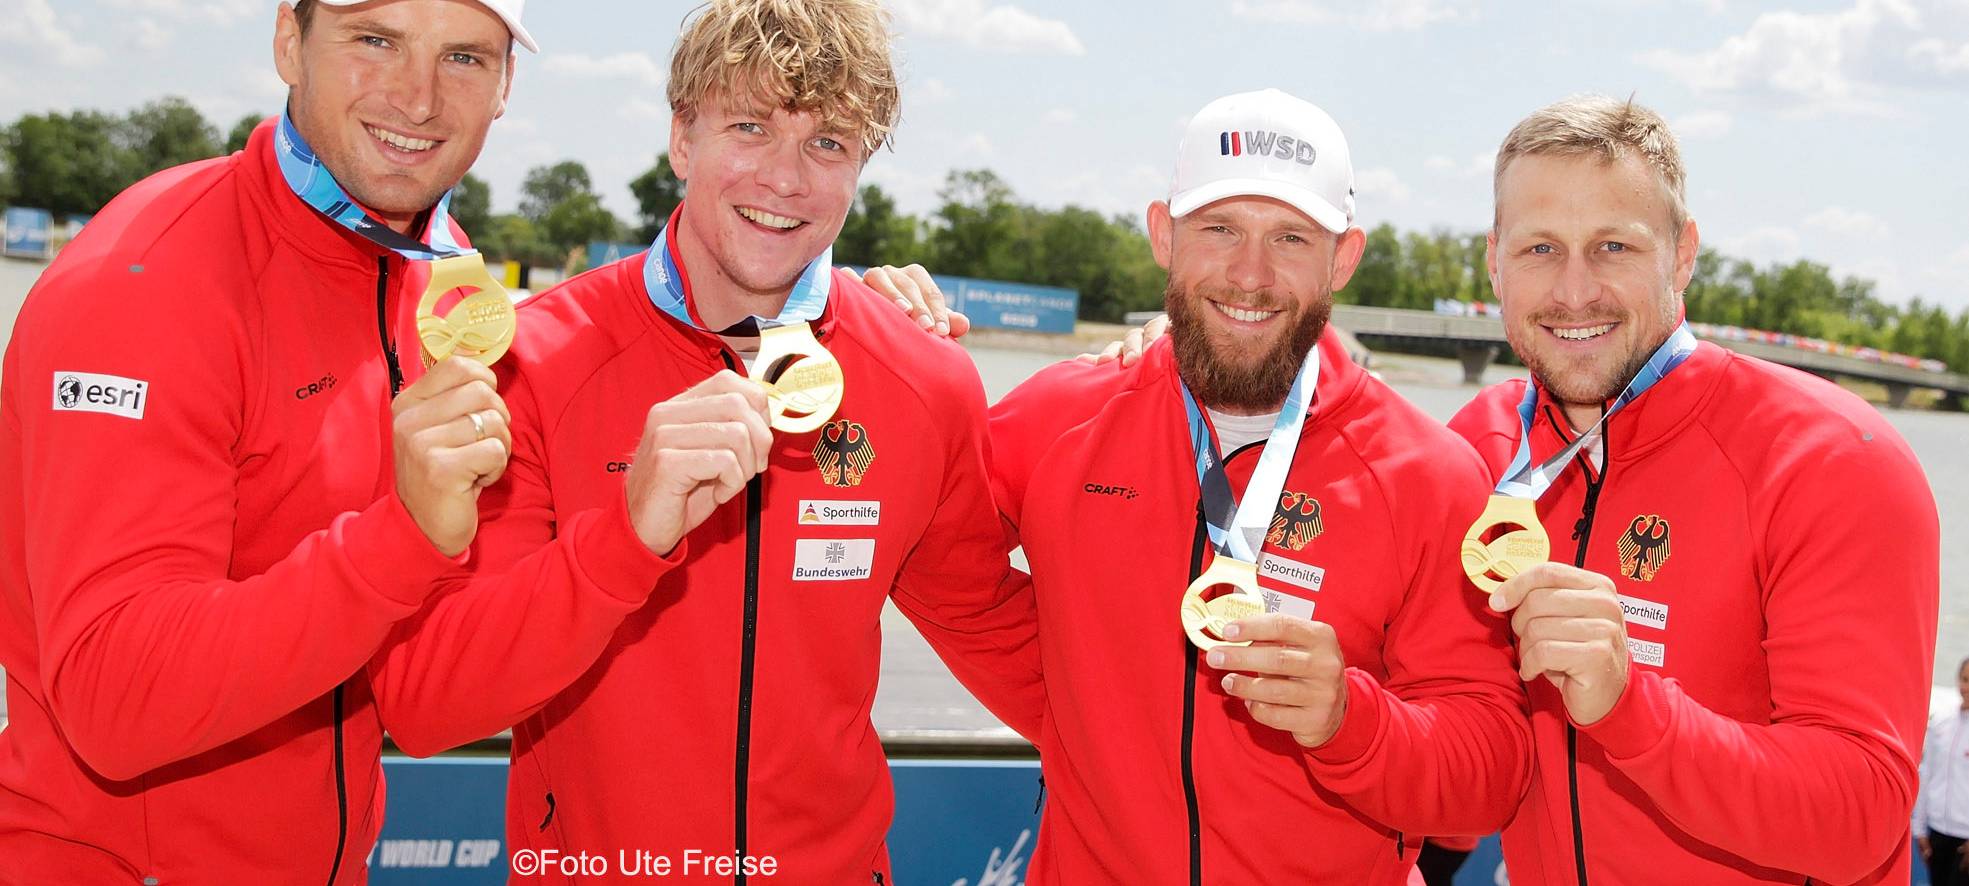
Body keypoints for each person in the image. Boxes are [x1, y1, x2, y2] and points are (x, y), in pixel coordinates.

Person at [365, 1, 1039, 881]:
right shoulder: (534, 362)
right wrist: (625, 539)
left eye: (828, 143)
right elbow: (426, 706)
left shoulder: (925, 380)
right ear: (682, 139)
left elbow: (1000, 632)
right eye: (750, 127)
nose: (786, 179)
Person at [0, 1, 534, 882]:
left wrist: (626, 535)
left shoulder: (438, 274)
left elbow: (424, 694)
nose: (419, 97)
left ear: (505, 84)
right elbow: (112, 699)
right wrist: (403, 540)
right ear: (290, 42)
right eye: (376, 40)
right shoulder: (146, 280)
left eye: (465, 58)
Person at [977, 88, 1530, 884]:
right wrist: (1066, 705)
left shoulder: (1428, 474)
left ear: (1342, 257)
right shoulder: (1060, 417)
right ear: (1163, 235)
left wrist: (1350, 721)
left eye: (1290, 238)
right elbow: (933, 557)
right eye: (1220, 229)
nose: (1249, 273)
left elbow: (1490, 779)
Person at [1451, 96, 1937, 884]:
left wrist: (1628, 705)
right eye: (1540, 247)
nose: (1575, 291)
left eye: (1613, 245)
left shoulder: (1831, 456)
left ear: (1681, 255)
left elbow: (1861, 818)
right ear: (1494, 260)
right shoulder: (1477, 444)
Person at [1917, 657, 1969, 885]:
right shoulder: (1941, 722)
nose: (1967, 687)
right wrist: (1919, 829)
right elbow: (1926, 775)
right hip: (1936, 831)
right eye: (1965, 679)